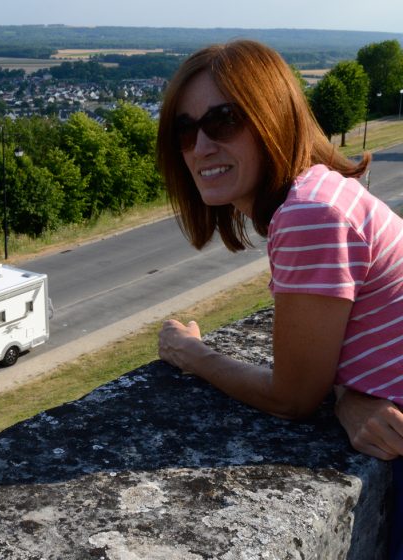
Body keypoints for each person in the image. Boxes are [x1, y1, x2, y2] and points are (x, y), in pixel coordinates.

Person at [155, 39, 403, 558]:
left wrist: (192, 355)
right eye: (185, 127)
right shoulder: (324, 192)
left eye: (223, 120)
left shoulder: (310, 214)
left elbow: (291, 398)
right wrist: (348, 396)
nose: (200, 146)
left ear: (273, 119)